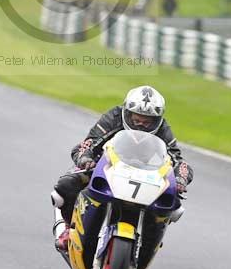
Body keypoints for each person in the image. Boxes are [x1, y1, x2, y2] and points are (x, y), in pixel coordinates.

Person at [51, 85, 193, 251]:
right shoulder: (114, 117)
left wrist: (181, 179)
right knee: (65, 186)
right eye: (136, 118)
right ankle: (70, 229)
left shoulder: (162, 128)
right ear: (127, 112)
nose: (140, 124)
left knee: (173, 205)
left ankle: (149, 245)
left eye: (147, 121)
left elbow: (178, 160)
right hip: (106, 165)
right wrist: (85, 158)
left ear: (157, 120)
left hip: (145, 174)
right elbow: (88, 143)